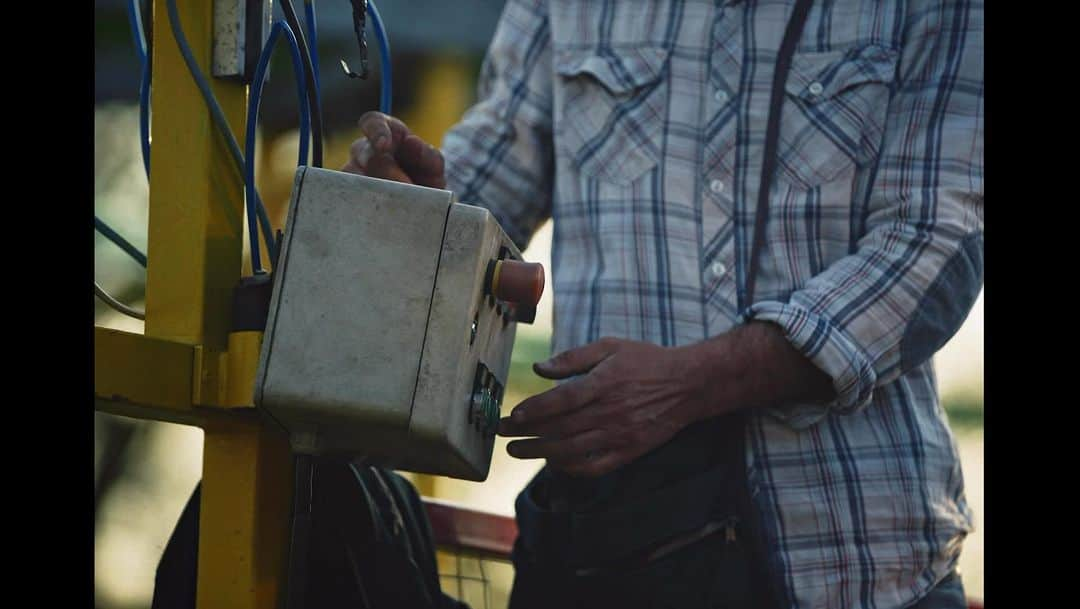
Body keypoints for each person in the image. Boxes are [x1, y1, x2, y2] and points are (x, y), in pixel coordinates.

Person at [343, 0, 983, 607]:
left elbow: (936, 244)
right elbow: (486, 197)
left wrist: (691, 384)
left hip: (859, 562)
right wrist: (418, 208)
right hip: (612, 549)